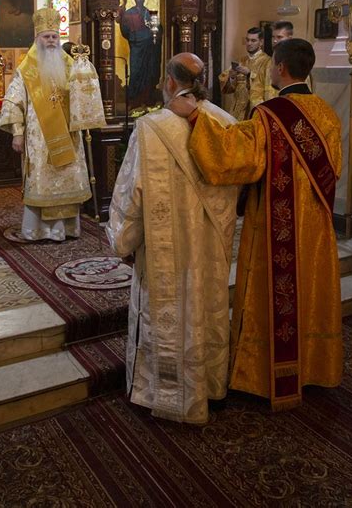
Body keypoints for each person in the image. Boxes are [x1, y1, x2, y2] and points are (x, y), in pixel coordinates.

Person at [169, 39, 342, 411]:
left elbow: (236, 155)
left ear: (279, 68)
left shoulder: (270, 114)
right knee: (310, 291)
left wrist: (196, 116)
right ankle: (313, 368)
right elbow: (334, 169)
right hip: (315, 227)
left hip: (276, 226)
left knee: (275, 292)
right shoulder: (326, 112)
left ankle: (264, 375)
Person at [105, 53, 238, 424]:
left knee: (168, 314)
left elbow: (134, 194)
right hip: (209, 247)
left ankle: (163, 392)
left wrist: (123, 240)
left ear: (169, 82)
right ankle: (210, 386)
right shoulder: (225, 122)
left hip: (167, 251)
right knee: (206, 310)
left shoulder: (151, 128)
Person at [0, 7, 92, 241]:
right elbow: (12, 100)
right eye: (46, 37)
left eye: (54, 37)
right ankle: (39, 230)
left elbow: (83, 94)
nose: (51, 41)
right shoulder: (27, 69)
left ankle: (67, 228)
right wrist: (17, 133)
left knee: (67, 180)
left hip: (68, 135)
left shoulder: (70, 64)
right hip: (39, 139)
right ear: (37, 38)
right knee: (42, 181)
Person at [118, 0, 161, 109]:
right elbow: (124, 27)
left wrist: (153, 34)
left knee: (148, 72)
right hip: (136, 45)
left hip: (148, 47)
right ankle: (133, 100)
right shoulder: (129, 12)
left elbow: (156, 30)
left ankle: (147, 98)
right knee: (136, 71)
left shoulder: (149, 13)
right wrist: (133, 37)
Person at [219, 27, 272, 119]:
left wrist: (249, 74)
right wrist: (232, 77)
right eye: (247, 40)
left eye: (253, 40)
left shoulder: (267, 62)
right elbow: (228, 88)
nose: (249, 43)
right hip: (237, 111)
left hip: (254, 110)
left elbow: (269, 88)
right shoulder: (241, 60)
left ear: (261, 42)